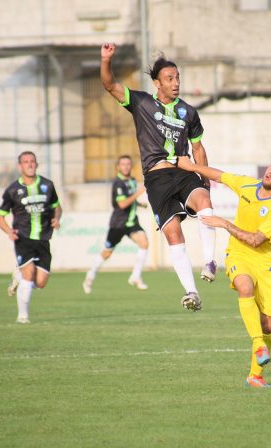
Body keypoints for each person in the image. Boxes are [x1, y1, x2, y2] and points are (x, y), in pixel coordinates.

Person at [100, 42, 217, 312]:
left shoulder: (189, 112)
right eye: (169, 79)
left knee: (204, 202)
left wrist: (206, 179)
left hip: (185, 172)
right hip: (157, 179)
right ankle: (191, 292)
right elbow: (109, 85)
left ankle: (210, 261)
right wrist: (106, 60)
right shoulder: (141, 102)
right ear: (157, 83)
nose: (176, 83)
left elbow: (198, 148)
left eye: (177, 78)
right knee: (173, 233)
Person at [177, 152, 271, 388]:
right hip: (239, 254)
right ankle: (258, 344)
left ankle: (255, 376)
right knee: (245, 286)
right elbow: (220, 176)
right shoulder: (247, 184)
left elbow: (256, 240)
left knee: (269, 325)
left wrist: (224, 223)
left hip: (268, 263)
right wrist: (192, 166)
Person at [0, 151, 62, 324]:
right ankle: (22, 316)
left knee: (40, 282)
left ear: (37, 164)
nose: (30, 164)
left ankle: (19, 278)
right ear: (20, 166)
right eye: (26, 162)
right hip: (23, 238)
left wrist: (57, 218)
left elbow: (57, 207)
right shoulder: (12, 190)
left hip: (43, 239)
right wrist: (9, 231)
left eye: (32, 161)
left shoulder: (48, 185)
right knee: (30, 273)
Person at [83, 155, 150, 294]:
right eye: (123, 164)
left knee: (144, 243)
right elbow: (122, 203)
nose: (126, 166)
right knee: (107, 253)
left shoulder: (131, 180)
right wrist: (138, 193)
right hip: (118, 224)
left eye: (128, 164)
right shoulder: (118, 183)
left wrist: (139, 204)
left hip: (131, 222)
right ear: (118, 167)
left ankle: (135, 276)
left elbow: (129, 200)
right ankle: (90, 276)